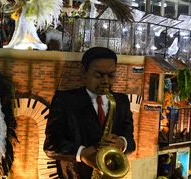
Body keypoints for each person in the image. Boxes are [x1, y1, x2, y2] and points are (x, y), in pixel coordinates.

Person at [44, 47, 135, 178]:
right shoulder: (64, 100)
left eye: (111, 75)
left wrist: (122, 142)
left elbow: (131, 142)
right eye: (98, 75)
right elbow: (51, 145)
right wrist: (82, 153)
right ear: (83, 72)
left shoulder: (122, 101)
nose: (106, 81)